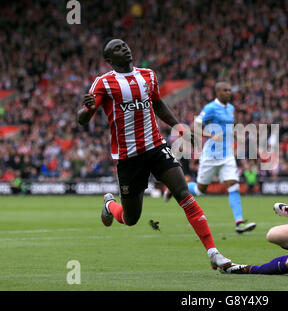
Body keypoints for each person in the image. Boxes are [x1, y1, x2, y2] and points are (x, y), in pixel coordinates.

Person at [77, 38, 231, 271]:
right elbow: (82, 118)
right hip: (129, 157)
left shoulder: (148, 75)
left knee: (183, 193)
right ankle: (110, 205)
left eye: (125, 45)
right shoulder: (103, 83)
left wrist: (179, 127)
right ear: (109, 60)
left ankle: (214, 253)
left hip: (156, 147)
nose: (125, 48)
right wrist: (87, 109)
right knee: (131, 218)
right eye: (117, 48)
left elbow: (158, 104)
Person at [164, 82, 256, 234]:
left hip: (226, 155)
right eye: (225, 90)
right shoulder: (210, 108)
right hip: (211, 156)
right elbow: (194, 127)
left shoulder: (230, 108)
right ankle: (174, 189)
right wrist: (211, 134)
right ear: (218, 92)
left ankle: (239, 222)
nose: (228, 93)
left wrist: (233, 133)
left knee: (233, 185)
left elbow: (228, 126)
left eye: (229, 90)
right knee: (201, 190)